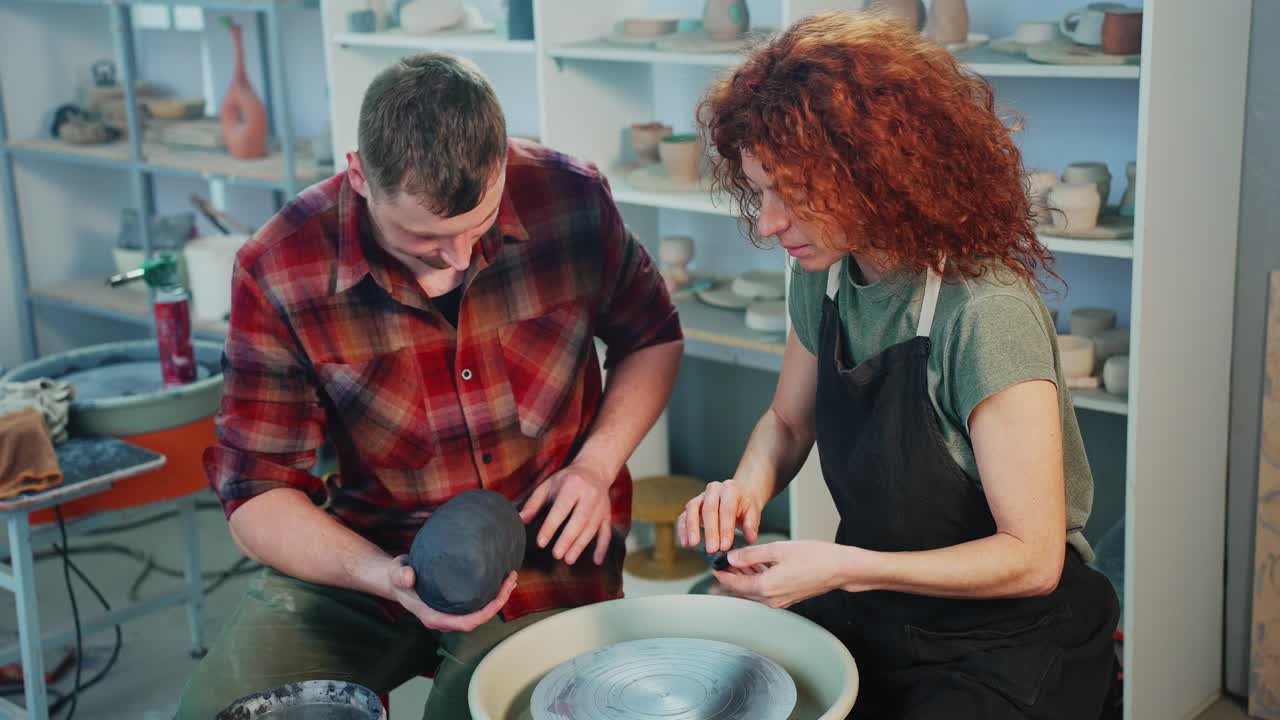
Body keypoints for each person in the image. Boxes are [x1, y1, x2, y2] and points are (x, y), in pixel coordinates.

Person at [177, 53, 684, 718]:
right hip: (362, 558)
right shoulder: (280, 267)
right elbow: (258, 497)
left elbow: (652, 338)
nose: (458, 260)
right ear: (359, 174)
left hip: (543, 558)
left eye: (477, 229)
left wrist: (594, 467)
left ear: (502, 160)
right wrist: (381, 575)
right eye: (424, 241)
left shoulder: (569, 198)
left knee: (482, 708)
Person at [677, 12, 1120, 720]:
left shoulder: (982, 311)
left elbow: (1033, 560)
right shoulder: (821, 273)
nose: (766, 223)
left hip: (1010, 634)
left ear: (874, 173)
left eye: (790, 193)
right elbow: (788, 424)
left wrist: (842, 565)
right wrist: (745, 489)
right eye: (760, 190)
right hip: (883, 600)